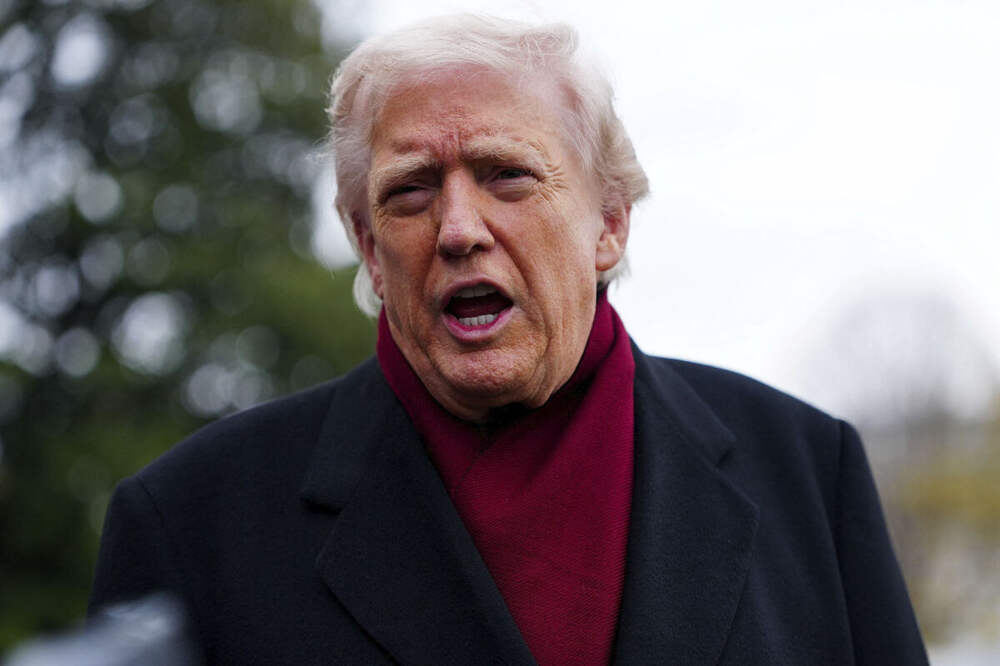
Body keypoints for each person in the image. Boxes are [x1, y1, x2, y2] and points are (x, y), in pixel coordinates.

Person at [90, 14, 929, 665]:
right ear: (369, 248)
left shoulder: (810, 474)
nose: (459, 228)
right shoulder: (190, 523)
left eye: (508, 176)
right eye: (411, 191)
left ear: (609, 223)